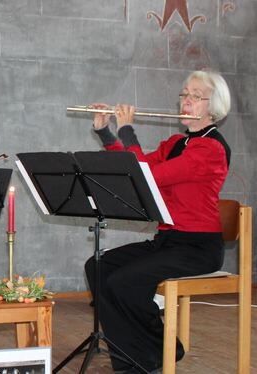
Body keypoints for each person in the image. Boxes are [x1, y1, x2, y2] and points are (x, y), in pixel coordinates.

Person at [85, 70, 231, 374]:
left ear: (213, 106)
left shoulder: (211, 149)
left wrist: (127, 129)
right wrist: (106, 132)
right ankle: (150, 351)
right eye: (184, 94)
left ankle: (146, 357)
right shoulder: (176, 143)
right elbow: (133, 166)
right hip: (168, 241)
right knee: (98, 267)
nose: (186, 101)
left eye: (195, 96)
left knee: (124, 282)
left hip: (198, 247)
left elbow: (146, 178)